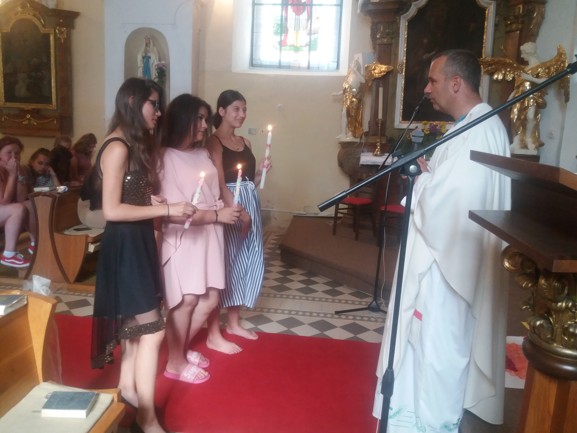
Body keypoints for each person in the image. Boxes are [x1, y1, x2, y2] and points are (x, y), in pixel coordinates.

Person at [372, 50, 511, 432]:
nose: (426, 89)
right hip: (444, 260)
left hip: (450, 270)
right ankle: (413, 420)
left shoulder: (481, 129)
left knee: (439, 349)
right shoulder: (468, 126)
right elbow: (450, 185)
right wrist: (430, 175)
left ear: (456, 83)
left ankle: (433, 424)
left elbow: (453, 202)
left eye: (433, 81)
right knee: (424, 345)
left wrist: (422, 179)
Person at [90, 77, 195, 433]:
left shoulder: (130, 144)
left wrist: (149, 200)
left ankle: (128, 389)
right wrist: (167, 210)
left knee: (135, 326)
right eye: (153, 103)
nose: (159, 111)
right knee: (153, 330)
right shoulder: (117, 147)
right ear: (133, 102)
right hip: (125, 245)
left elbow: (126, 196)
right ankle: (146, 416)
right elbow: (111, 210)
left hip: (137, 242)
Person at [159, 94, 241, 383]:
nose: (206, 125)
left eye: (206, 119)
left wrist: (224, 210)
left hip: (209, 234)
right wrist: (217, 215)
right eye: (200, 119)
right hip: (185, 237)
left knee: (209, 299)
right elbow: (174, 212)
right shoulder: (165, 157)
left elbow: (211, 193)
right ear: (182, 119)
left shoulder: (202, 153)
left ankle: (179, 350)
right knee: (187, 300)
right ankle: (175, 363)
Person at [206, 90, 267, 354]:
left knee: (245, 262)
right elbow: (220, 184)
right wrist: (238, 211)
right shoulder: (214, 142)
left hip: (249, 203)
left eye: (244, 109)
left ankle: (233, 322)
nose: (242, 114)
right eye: (236, 109)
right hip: (230, 206)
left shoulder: (246, 142)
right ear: (221, 111)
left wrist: (261, 173)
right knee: (226, 263)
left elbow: (250, 183)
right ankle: (213, 328)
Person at [0, 136, 32, 268]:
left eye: (17, 153)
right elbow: (3, 201)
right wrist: (13, 175)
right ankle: (9, 255)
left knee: (29, 205)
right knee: (17, 209)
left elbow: (21, 198)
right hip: (2, 207)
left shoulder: (17, 169)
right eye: (9, 152)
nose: (14, 156)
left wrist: (18, 175)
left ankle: (35, 243)